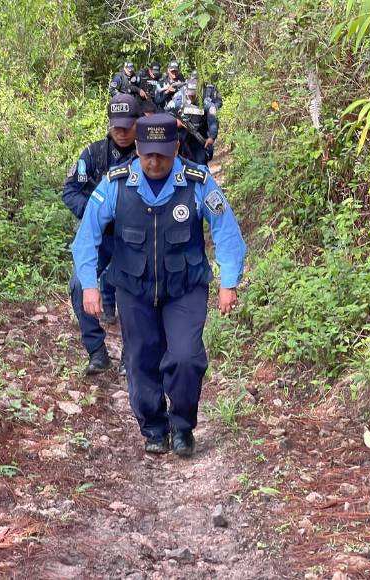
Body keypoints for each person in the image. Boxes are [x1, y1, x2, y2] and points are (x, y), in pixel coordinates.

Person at [71, 114, 246, 457]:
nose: (154, 162)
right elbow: (87, 236)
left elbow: (226, 230)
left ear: (176, 148)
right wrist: (89, 284)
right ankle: (154, 428)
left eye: (162, 155)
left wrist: (229, 282)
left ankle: (182, 426)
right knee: (140, 359)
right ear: (137, 148)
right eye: (147, 154)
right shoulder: (116, 184)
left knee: (186, 357)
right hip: (133, 288)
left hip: (185, 287)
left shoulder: (198, 182)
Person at [62, 94, 141, 375]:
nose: (122, 132)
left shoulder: (150, 155)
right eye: (116, 126)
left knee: (135, 294)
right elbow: (70, 191)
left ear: (138, 123)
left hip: (137, 239)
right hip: (100, 238)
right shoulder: (93, 155)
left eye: (127, 126)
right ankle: (97, 351)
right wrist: (95, 212)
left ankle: (131, 357)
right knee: (79, 285)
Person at [166, 78, 218, 165]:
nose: (191, 97)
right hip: (182, 136)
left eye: (194, 94)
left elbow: (213, 121)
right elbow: (167, 113)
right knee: (179, 161)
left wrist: (212, 137)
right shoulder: (178, 100)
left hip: (199, 135)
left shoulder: (207, 103)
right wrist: (175, 121)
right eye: (190, 94)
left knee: (200, 162)